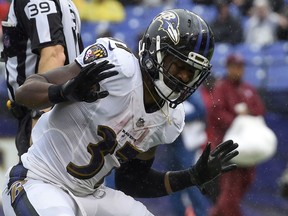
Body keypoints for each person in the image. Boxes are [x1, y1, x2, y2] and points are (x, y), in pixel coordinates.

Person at [2, 9, 239, 216]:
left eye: (191, 73)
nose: (183, 78)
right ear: (154, 51)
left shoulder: (168, 119)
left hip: (92, 195)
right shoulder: (116, 66)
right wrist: (64, 91)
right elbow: (26, 91)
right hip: (41, 181)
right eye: (178, 66)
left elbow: (133, 181)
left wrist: (192, 177)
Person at [1, 0, 83, 159]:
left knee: (34, 181)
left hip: (49, 114)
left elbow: (53, 54)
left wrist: (40, 116)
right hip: (63, 112)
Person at [208, 53, 265, 216]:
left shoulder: (248, 89)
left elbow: (260, 109)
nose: (238, 70)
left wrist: (249, 113)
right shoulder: (221, 87)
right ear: (228, 67)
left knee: (243, 185)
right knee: (230, 193)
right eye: (234, 66)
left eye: (241, 67)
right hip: (229, 148)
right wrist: (238, 119)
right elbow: (217, 114)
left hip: (248, 147)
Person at [164, 90, 212, 216]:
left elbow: (202, 111)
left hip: (186, 143)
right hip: (172, 142)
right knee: (171, 181)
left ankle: (201, 213)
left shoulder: (190, 90)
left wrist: (179, 118)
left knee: (191, 180)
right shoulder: (167, 88)